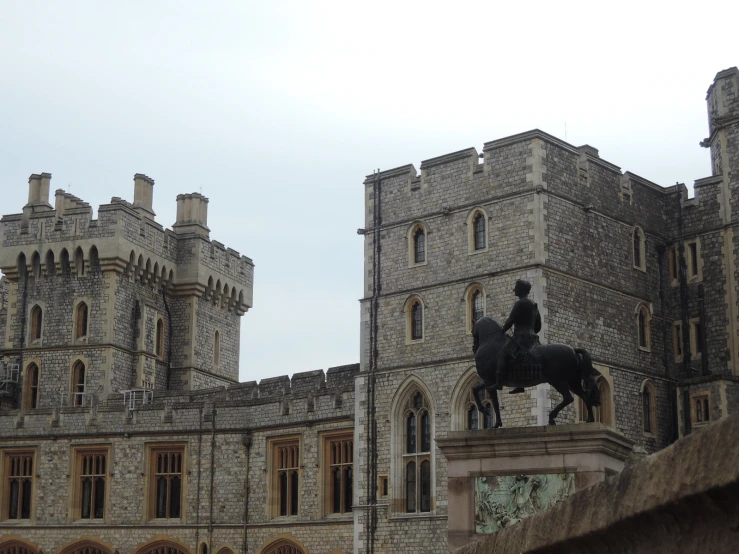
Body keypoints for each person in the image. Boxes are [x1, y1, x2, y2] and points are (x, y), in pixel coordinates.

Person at [491, 280, 542, 390]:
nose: (515, 290)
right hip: (533, 338)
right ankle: (520, 384)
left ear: (521, 290)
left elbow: (511, 320)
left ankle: (498, 383)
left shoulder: (520, 303)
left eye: (516, 288)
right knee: (519, 359)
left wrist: (503, 330)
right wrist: (531, 333)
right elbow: (538, 325)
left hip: (521, 337)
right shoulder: (534, 305)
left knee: (503, 354)